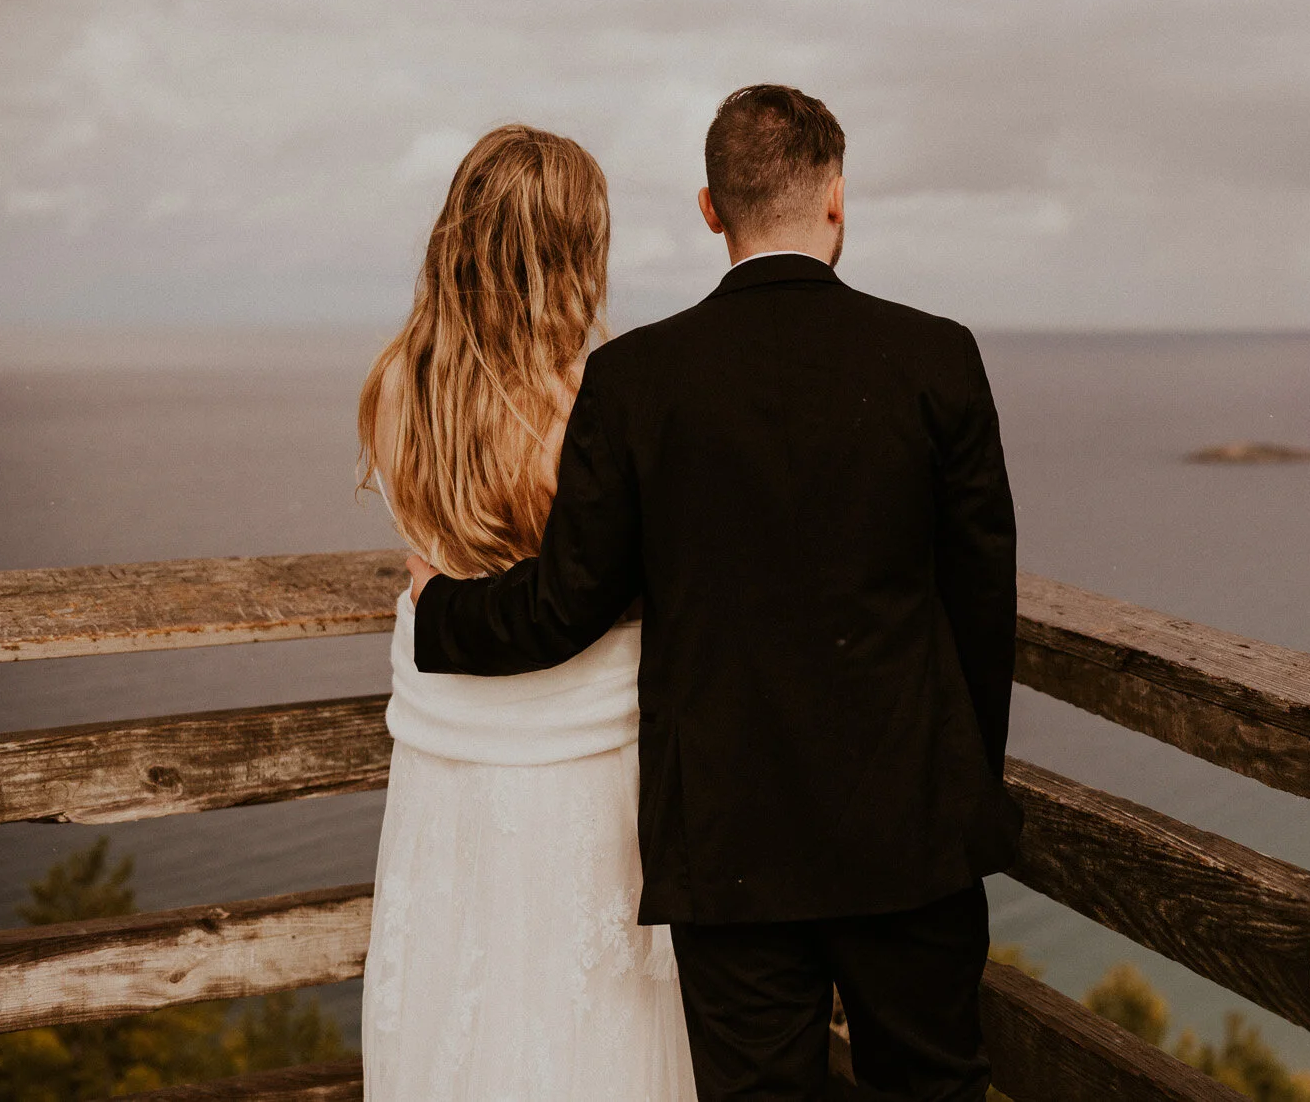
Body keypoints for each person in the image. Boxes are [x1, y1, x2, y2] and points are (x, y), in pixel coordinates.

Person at [407, 84, 1021, 1101]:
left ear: (709, 209)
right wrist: (958, 790)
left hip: (729, 847)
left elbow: (563, 603)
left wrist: (436, 609)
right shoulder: (935, 357)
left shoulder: (637, 379)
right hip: (910, 832)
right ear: (835, 199)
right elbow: (980, 612)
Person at [356, 124, 696, 1100]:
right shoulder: (594, 404)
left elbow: (440, 560)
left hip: (446, 763)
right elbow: (612, 581)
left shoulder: (392, 385)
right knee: (585, 1021)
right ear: (571, 249)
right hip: (581, 766)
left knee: (460, 995)